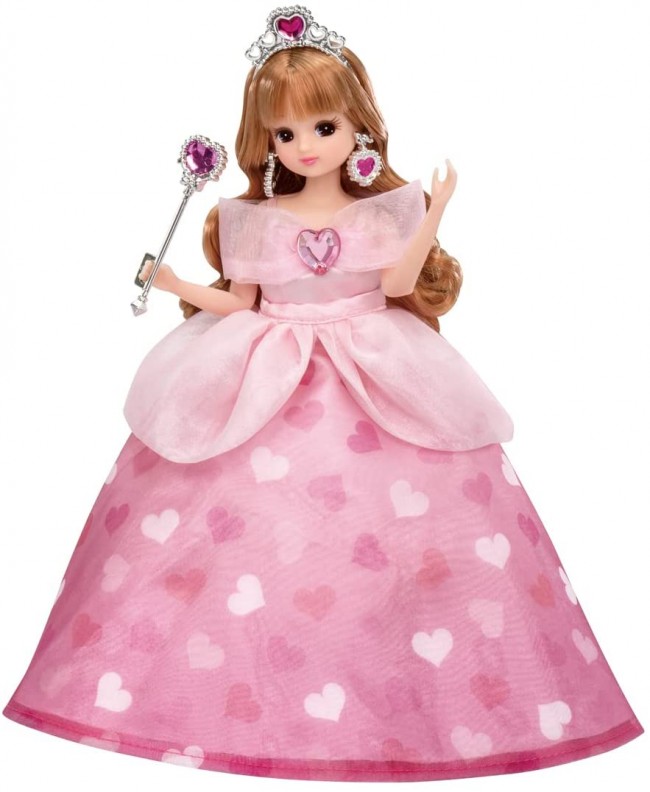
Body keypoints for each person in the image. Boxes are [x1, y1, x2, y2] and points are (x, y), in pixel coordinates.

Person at [2, 5, 643, 783]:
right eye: (285, 133)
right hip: (261, 372)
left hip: (379, 369)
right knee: (226, 526)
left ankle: (406, 691)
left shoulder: (383, 213)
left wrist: (436, 210)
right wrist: (172, 282)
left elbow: (397, 284)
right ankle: (214, 683)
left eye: (323, 127)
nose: (305, 146)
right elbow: (240, 301)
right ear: (265, 141)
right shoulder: (252, 219)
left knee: (413, 535)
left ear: (358, 128)